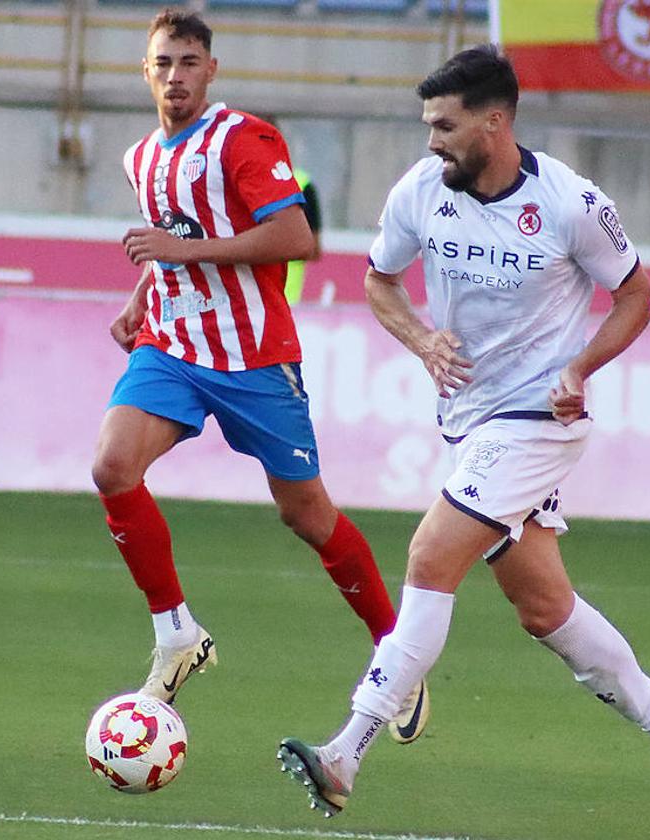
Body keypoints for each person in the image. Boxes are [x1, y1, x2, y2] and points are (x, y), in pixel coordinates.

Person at [277, 45, 650, 838]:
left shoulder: (569, 203)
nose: (431, 142)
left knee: (427, 558)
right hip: (472, 423)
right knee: (544, 608)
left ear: (495, 120)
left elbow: (636, 295)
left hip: (539, 423)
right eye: (427, 126)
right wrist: (421, 339)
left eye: (445, 127)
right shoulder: (422, 191)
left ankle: (347, 749)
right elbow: (379, 281)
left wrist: (582, 366)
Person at [99, 8, 427, 743]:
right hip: (173, 348)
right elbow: (171, 241)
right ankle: (177, 633)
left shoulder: (243, 139)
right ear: (145, 72)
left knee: (306, 516)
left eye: (188, 62)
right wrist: (141, 295)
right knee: (112, 466)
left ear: (211, 70)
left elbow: (295, 235)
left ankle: (394, 655)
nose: (175, 76)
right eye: (163, 64)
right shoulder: (140, 157)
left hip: (254, 358)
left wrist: (181, 257)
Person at [285, 166, 322, 304]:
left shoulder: (258, 179)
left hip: (262, 263)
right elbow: (314, 246)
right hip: (293, 267)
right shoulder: (302, 182)